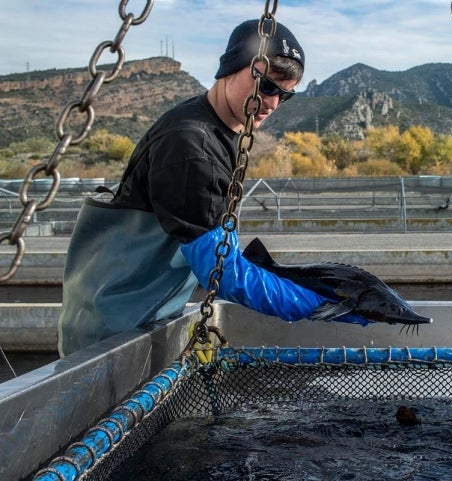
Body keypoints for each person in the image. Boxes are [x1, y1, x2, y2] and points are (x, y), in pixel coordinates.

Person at [58, 19, 369, 356]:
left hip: (143, 319)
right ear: (231, 68)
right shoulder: (191, 145)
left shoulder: (214, 128)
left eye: (285, 94)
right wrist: (322, 305)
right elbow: (223, 271)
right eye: (266, 86)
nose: (273, 103)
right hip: (111, 337)